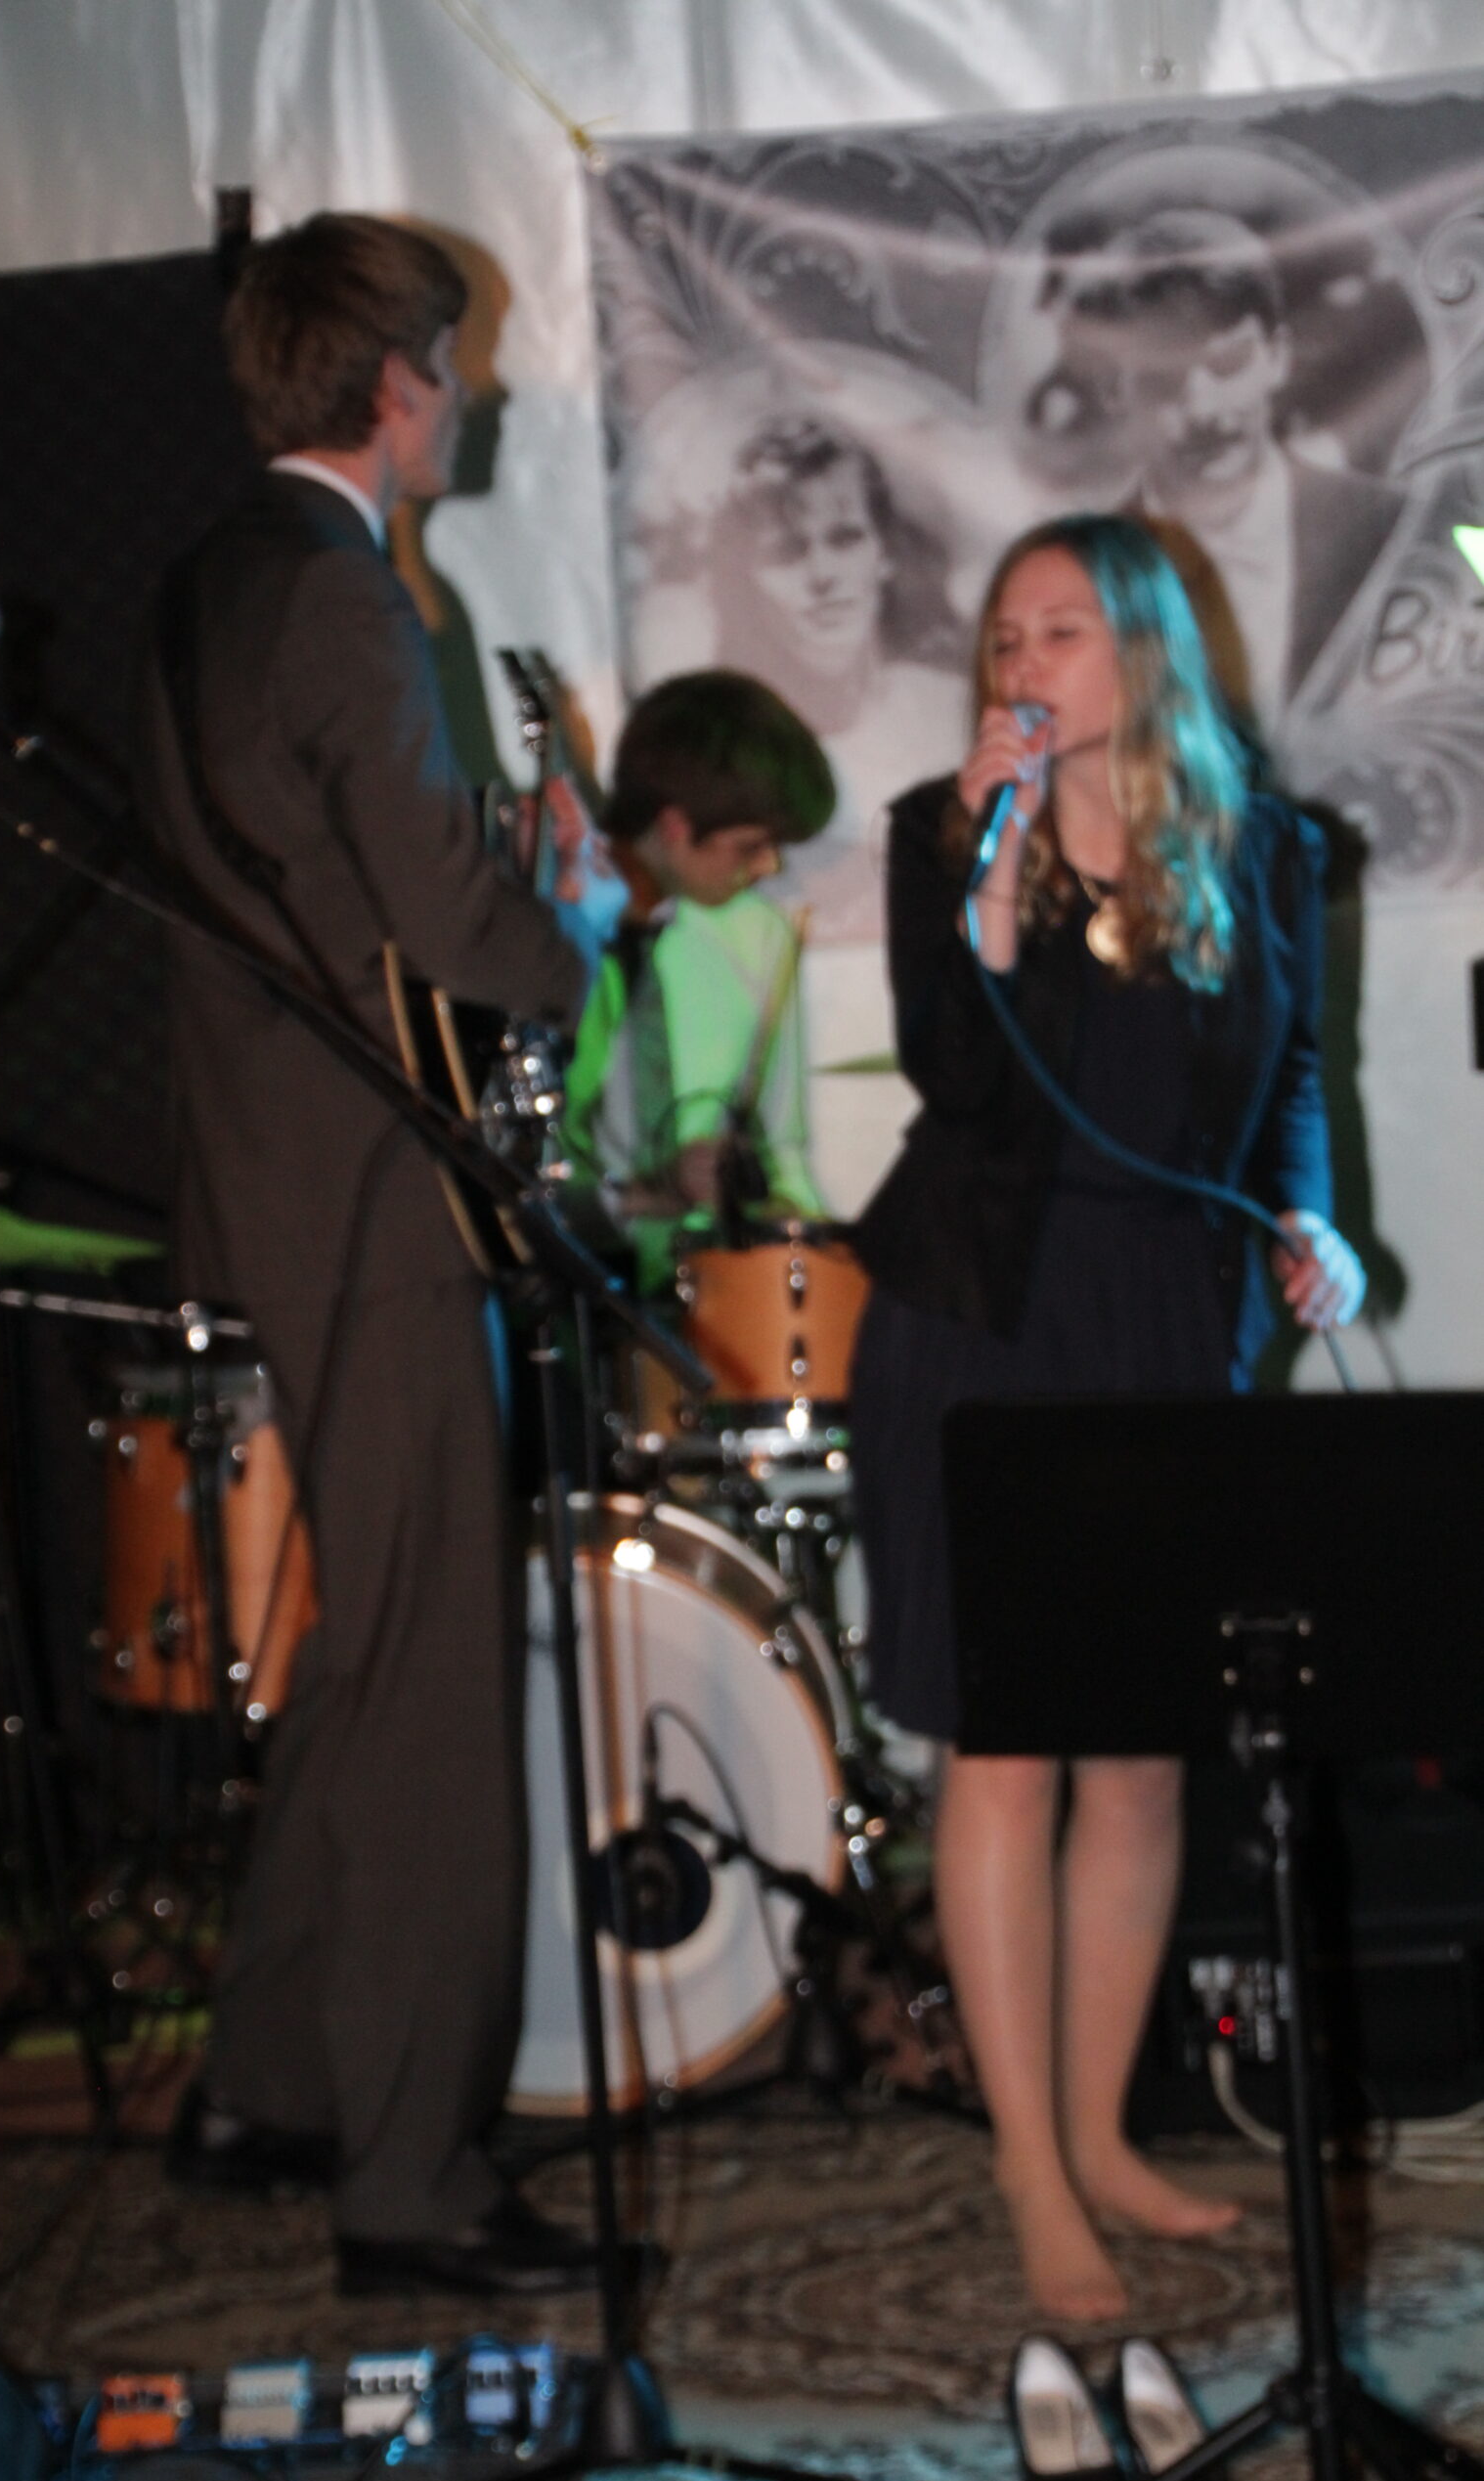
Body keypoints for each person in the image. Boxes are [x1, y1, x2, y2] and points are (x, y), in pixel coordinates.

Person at [131, 212, 626, 2297]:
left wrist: (481, 884)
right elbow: (443, 926)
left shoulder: (213, 580)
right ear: (390, 385)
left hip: (279, 1185)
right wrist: (574, 932)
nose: (474, 389)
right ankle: (411, 2177)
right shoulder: (344, 594)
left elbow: (337, 893)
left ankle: (263, 2082)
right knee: (430, 1688)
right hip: (376, 1204)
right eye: (453, 357)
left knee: (368, 1648)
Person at [848, 512, 1365, 2321]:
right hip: (982, 1324)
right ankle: (1025, 2166)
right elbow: (949, 1074)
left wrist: (1311, 1225)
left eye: (1056, 630)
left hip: (1165, 1328)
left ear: (1142, 650)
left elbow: (1291, 1076)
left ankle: (1099, 2135)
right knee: (1004, 1751)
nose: (1020, 664)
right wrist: (990, 886)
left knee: (1142, 1755)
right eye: (1002, 638)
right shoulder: (942, 833)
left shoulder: (1262, 844)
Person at [1031, 209, 1404, 727]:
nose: (1204, 408)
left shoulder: (1392, 530)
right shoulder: (1081, 581)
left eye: (1229, 364)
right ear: (1114, 388)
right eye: (1164, 380)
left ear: (1277, 356)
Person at [560, 668, 837, 1294]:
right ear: (676, 826)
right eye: (750, 846)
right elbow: (525, 1176)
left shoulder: (759, 936)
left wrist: (799, 1237)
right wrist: (656, 1189)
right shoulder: (560, 932)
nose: (769, 867)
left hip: (715, 1298)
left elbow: (782, 1154)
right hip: (575, 1289)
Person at [708, 416, 966, 942]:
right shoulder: (719, 753)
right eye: (788, 551)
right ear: (748, 576)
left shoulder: (951, 711)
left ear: (884, 553)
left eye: (845, 538)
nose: (822, 575)